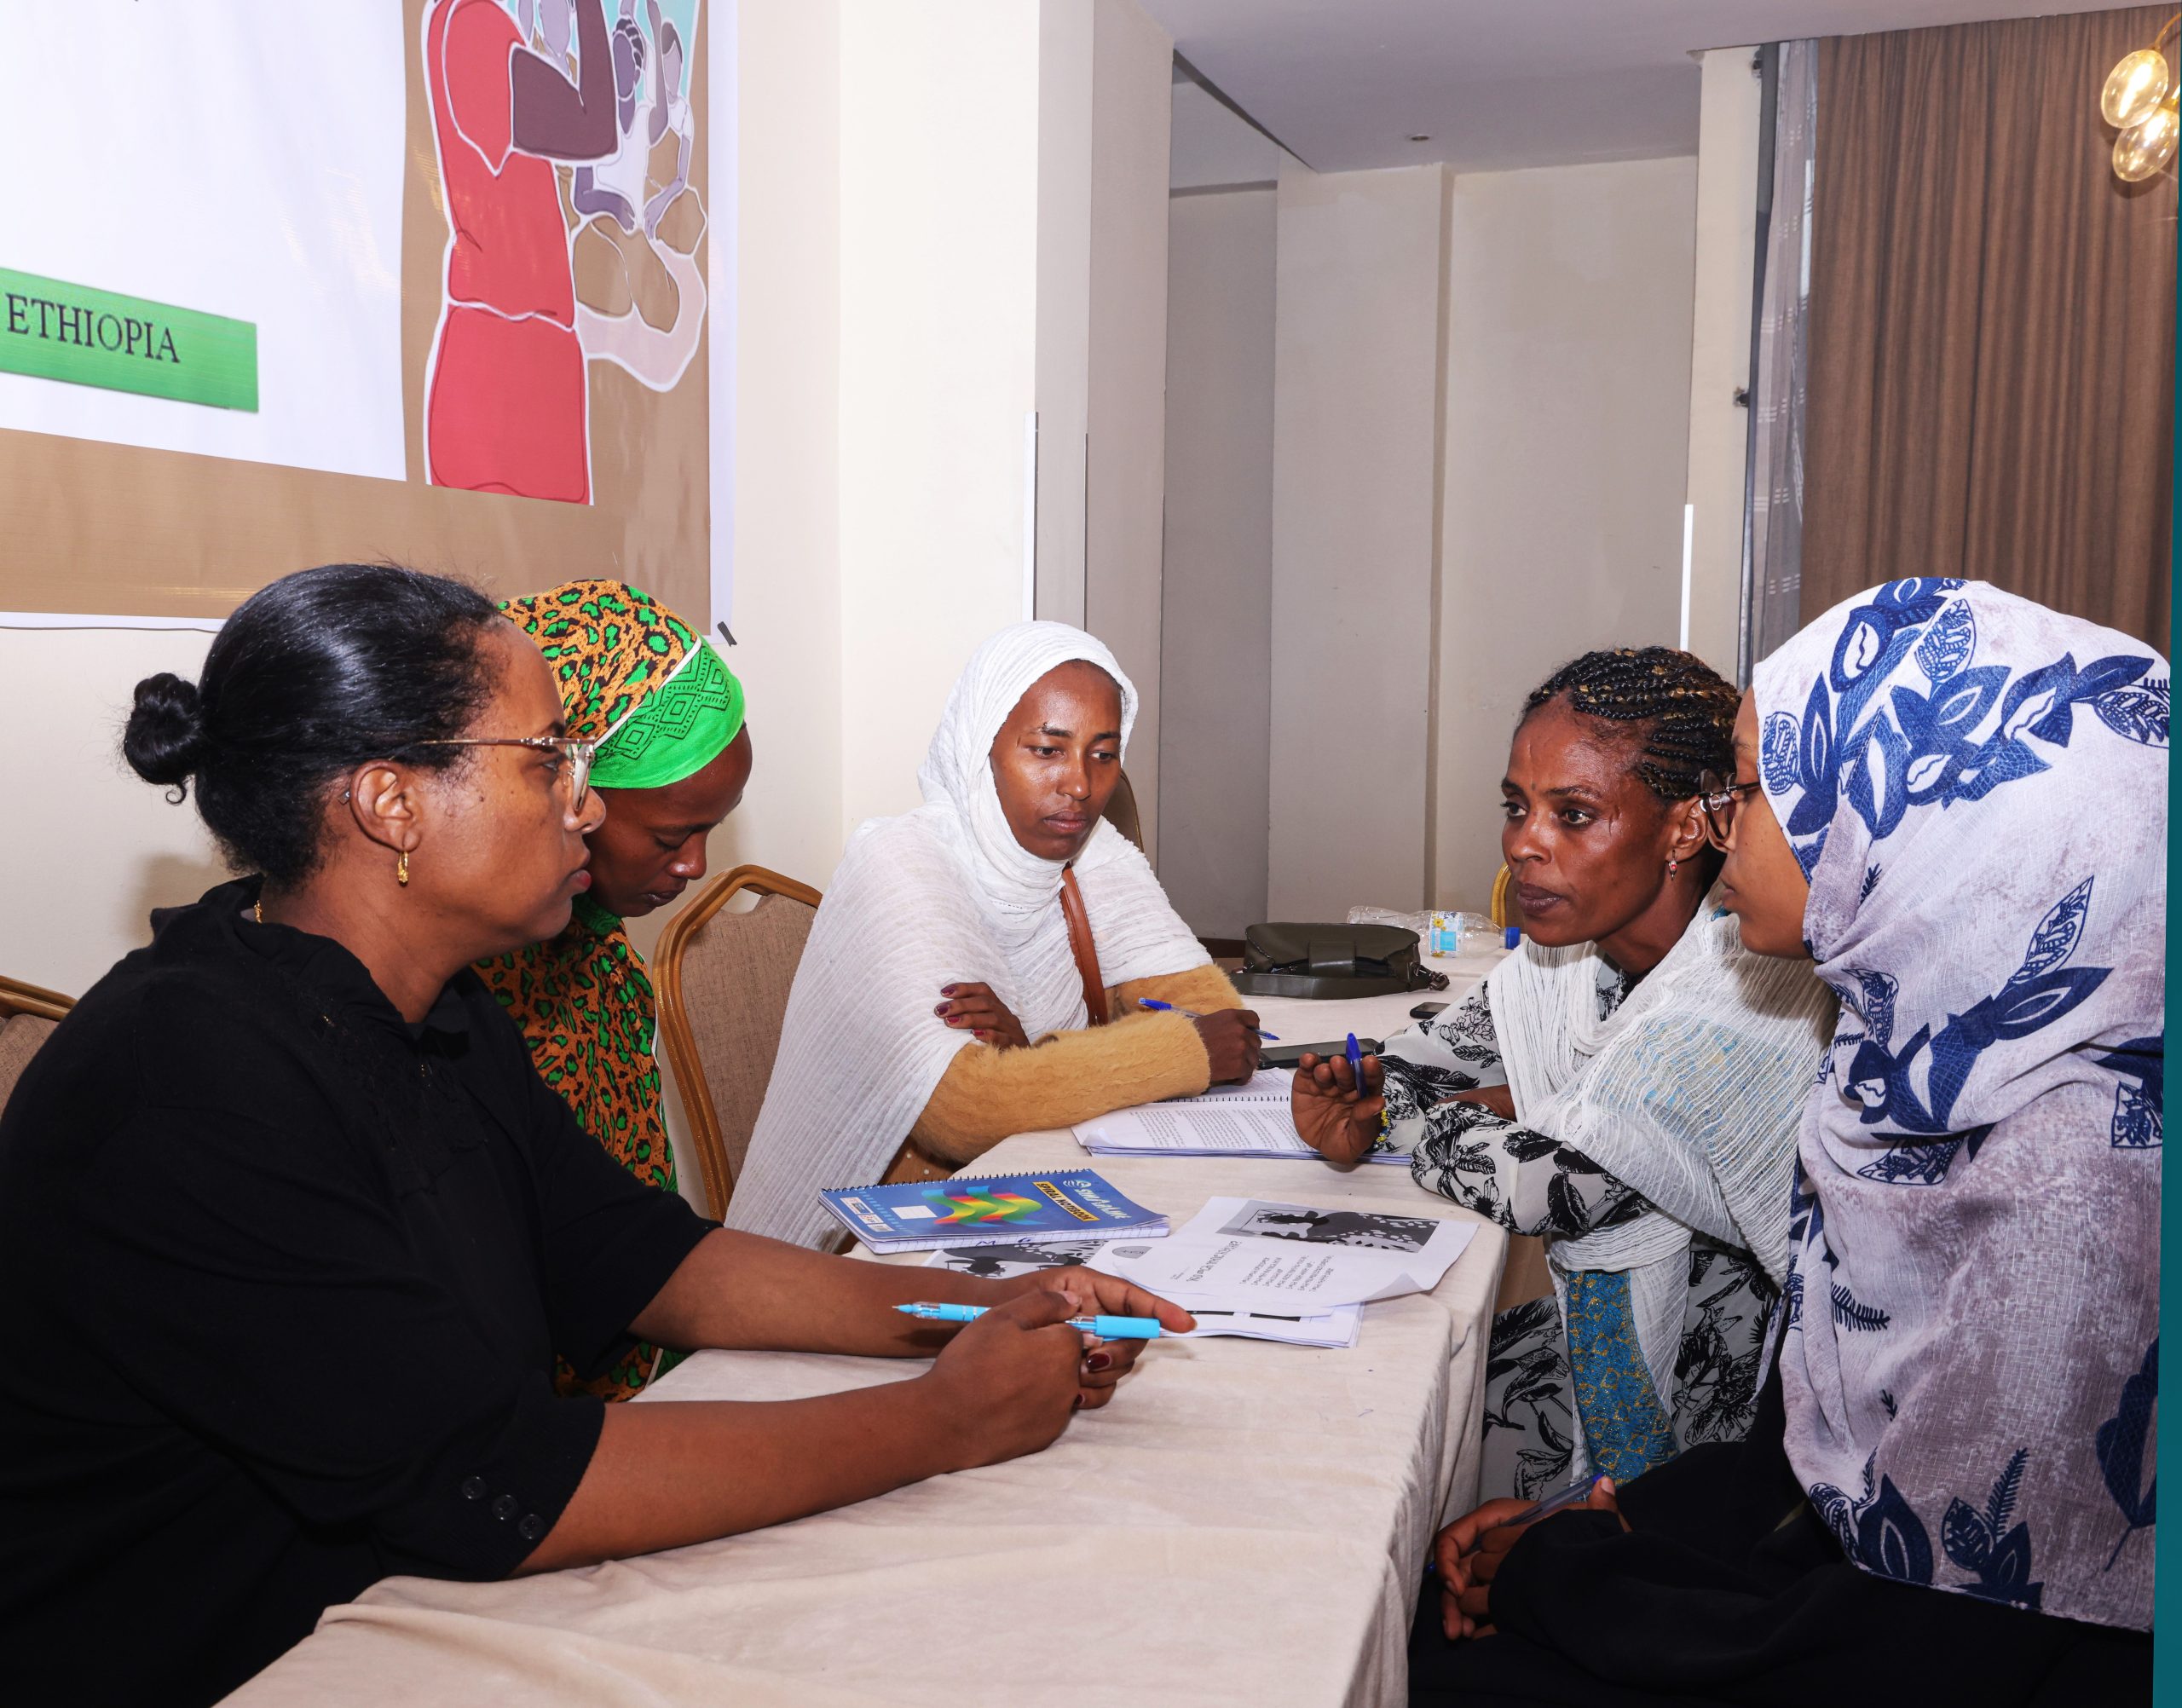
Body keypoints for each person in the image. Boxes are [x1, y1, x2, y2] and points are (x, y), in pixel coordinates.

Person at [0, 564, 1189, 1708]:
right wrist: (945, 1422)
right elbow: (499, 1484)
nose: (585, 798)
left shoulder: (439, 1009)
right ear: (390, 800)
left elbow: (647, 1257)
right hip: (227, 1666)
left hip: (398, 1615)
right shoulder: (196, 1075)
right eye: (550, 758)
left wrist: (979, 1312)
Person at [1414, 580, 2160, 1703]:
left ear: (1927, 825)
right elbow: (1805, 1477)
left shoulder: (2077, 1204)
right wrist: (1610, 1516)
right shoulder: (1905, 1075)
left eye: (1758, 793)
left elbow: (1884, 1656)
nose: (1721, 832)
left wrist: (1557, 1578)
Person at [1294, 648, 1836, 1502]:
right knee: (1368, 1420)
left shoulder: (1750, 977)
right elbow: (1415, 1062)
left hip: (1754, 1405)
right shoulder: (1570, 964)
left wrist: (1414, 1119)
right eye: (1517, 807)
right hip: (1622, 1332)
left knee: (1400, 1463)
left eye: (1573, 815)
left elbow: (1549, 1187)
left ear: (1686, 828)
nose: (1523, 846)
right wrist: (1368, 1094)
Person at [728, 621, 1260, 1249]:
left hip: (1029, 1202)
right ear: (982, 746)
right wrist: (1172, 1051)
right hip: (865, 1235)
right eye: (1046, 750)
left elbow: (1222, 1022)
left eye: (1103, 753)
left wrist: (1034, 1053)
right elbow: (966, 1112)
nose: (1081, 786)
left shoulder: (1094, 854)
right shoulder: (898, 862)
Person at [475, 578, 751, 1399]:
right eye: (672, 836)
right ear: (567, 794)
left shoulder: (596, 962)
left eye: (712, 831)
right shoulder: (466, 996)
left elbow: (624, 1245)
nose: (696, 866)